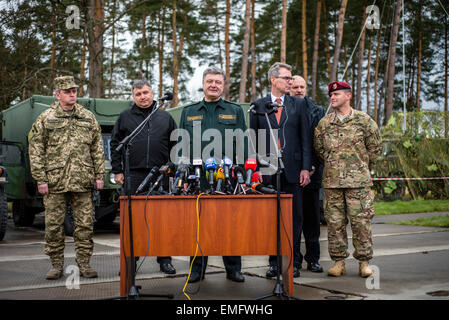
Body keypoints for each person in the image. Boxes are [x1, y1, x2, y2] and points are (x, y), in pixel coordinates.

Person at [28, 76, 105, 280]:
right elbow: (35, 149)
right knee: (53, 225)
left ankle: (85, 264)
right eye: (67, 91)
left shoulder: (88, 117)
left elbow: (97, 148)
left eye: (74, 91)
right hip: (55, 181)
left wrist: (100, 174)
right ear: (58, 94)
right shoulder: (46, 118)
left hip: (83, 180)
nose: (72, 94)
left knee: (85, 224)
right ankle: (56, 265)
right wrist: (40, 179)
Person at [178, 66, 247, 283]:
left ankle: (233, 268)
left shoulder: (235, 111)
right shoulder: (189, 112)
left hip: (227, 177)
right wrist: (183, 170)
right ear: (203, 83)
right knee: (198, 223)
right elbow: (182, 145)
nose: (213, 85)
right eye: (210, 81)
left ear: (223, 85)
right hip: (197, 176)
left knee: (230, 223)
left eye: (218, 81)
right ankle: (197, 270)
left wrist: (241, 170)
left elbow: (243, 144)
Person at [250, 63, 312, 278]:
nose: (290, 82)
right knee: (270, 219)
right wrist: (255, 169)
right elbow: (252, 140)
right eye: (286, 78)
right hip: (267, 171)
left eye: (291, 78)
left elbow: (306, 138)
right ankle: (274, 263)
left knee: (295, 217)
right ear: (273, 80)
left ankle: (293, 261)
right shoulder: (258, 105)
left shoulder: (299, 104)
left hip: (294, 170)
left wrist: (306, 167)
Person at [314, 81, 382, 278]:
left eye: (337, 94)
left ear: (348, 96)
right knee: (335, 224)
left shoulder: (364, 121)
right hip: (332, 183)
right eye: (331, 95)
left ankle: (364, 262)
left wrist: (358, 167)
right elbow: (319, 150)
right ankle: (338, 262)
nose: (332, 97)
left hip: (358, 184)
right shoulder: (324, 124)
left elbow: (375, 149)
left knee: (361, 223)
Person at [110, 80, 177, 275]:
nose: (143, 97)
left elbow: (176, 144)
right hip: (133, 175)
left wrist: (170, 166)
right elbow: (115, 145)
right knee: (133, 221)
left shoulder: (164, 117)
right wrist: (118, 170)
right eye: (138, 94)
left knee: (162, 220)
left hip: (160, 174)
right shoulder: (125, 117)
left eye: (146, 92)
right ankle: (131, 261)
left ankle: (165, 260)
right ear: (133, 96)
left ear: (152, 93)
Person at [290, 75, 325, 273]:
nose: (299, 90)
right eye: (295, 87)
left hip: (312, 175)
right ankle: (294, 261)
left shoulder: (316, 111)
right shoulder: (284, 109)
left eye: (302, 87)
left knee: (312, 220)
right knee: (293, 220)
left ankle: (313, 259)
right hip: (291, 175)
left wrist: (311, 166)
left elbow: (319, 143)